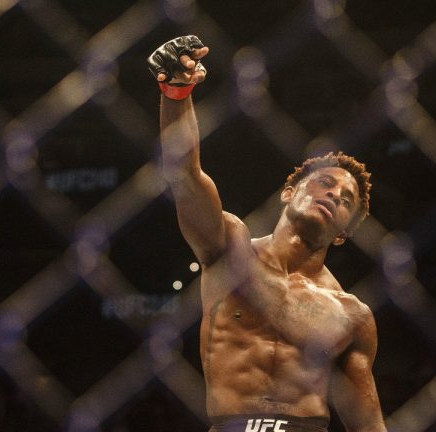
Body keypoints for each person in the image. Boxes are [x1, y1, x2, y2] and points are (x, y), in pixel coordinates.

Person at [147, 35, 386, 432]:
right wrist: (177, 93)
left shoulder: (351, 315)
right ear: (289, 192)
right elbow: (185, 176)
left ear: (343, 233)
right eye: (325, 182)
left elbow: (367, 425)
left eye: (347, 200)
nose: (334, 195)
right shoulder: (229, 248)